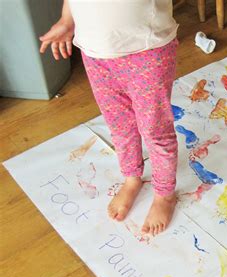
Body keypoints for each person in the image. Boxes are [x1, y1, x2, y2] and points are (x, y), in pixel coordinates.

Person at [39, 0, 180, 236]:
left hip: (147, 49)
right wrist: (67, 19)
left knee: (155, 129)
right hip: (96, 53)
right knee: (120, 125)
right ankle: (132, 177)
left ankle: (165, 194)